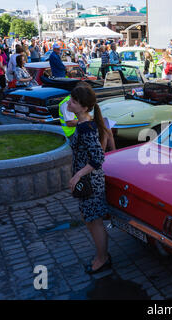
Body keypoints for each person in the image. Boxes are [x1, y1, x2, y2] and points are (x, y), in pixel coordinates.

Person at [67, 83, 111, 275]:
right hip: (88, 181)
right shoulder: (84, 123)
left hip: (90, 182)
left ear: (84, 107)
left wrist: (77, 175)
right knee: (90, 220)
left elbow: (98, 158)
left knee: (95, 222)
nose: (70, 103)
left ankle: (103, 258)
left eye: (74, 101)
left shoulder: (86, 128)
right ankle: (101, 256)